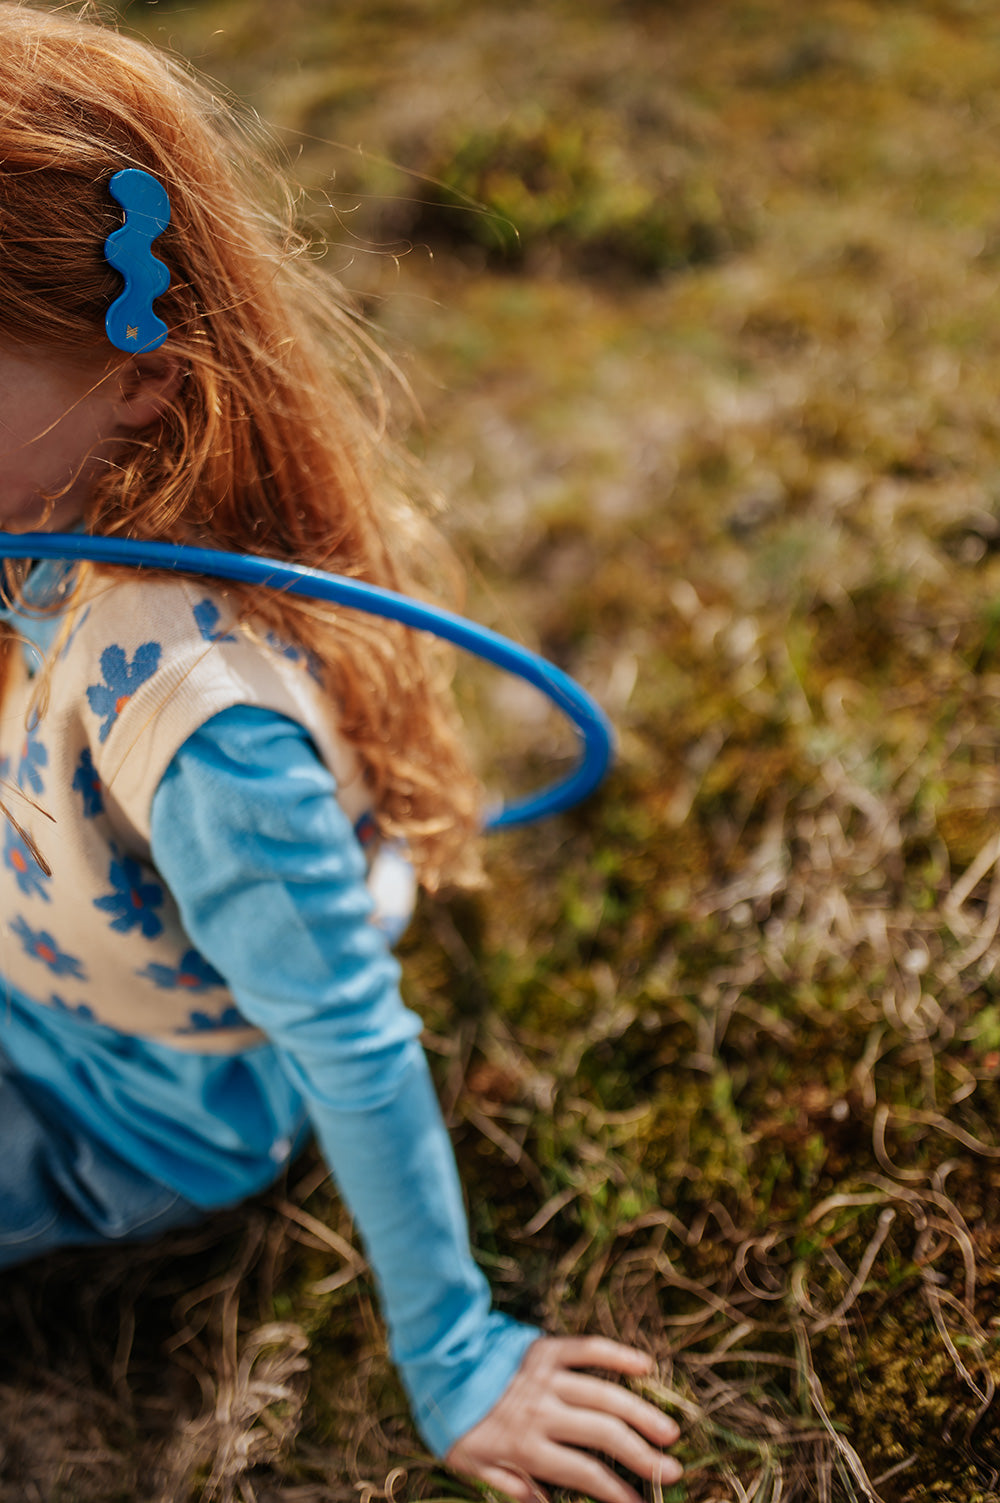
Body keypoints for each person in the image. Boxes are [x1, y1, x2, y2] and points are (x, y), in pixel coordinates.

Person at [0, 4, 683, 1499]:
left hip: (127, 1099)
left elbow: (356, 1052)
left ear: (139, 383)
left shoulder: (203, 725)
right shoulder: (36, 534)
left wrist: (455, 1356)